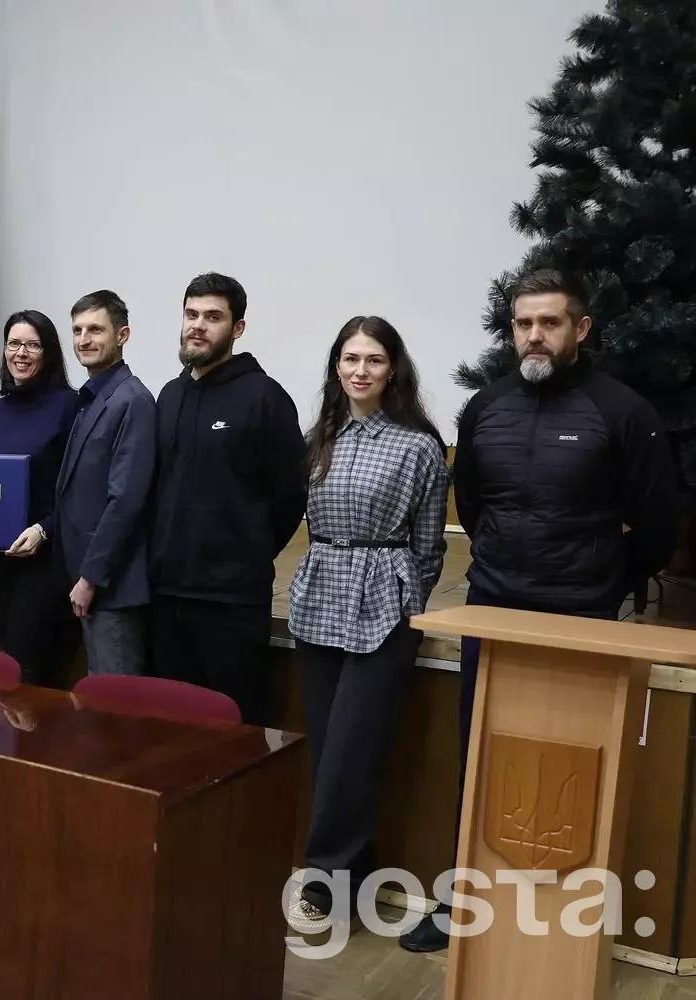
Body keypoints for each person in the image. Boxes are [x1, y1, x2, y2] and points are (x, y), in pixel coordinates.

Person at [400, 267, 681, 953]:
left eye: (549, 322)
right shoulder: (485, 407)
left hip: (578, 619)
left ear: (580, 329)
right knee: (480, 754)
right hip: (493, 610)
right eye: (523, 323)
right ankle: (465, 899)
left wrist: (604, 581)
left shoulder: (623, 412)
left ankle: (557, 918)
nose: (534, 335)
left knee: (570, 766)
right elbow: (472, 505)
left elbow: (658, 523)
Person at [282, 316, 449, 934]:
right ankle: (353, 878)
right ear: (337, 366)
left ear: (392, 369)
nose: (360, 370)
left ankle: (322, 885)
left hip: (384, 606)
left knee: (353, 751)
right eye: (350, 359)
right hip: (319, 597)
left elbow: (429, 545)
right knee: (329, 750)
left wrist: (409, 605)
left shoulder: (418, 446)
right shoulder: (320, 436)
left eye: (373, 360)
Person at [148, 273, 307, 722]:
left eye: (213, 317)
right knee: (170, 728)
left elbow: (291, 493)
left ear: (237, 328)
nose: (198, 325)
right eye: (191, 314)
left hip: (232, 601)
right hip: (167, 596)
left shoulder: (265, 397)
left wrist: (247, 549)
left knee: (234, 727)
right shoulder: (170, 395)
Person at [53, 290, 157, 676]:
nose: (84, 339)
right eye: (77, 330)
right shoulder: (96, 396)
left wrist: (91, 578)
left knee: (117, 702)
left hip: (113, 587)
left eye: (95, 329)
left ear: (122, 335)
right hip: (90, 580)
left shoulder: (133, 400)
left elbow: (125, 500)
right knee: (98, 696)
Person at [0, 309, 82, 687]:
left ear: (48, 352)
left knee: (30, 672)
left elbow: (79, 489)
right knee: (3, 664)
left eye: (32, 345)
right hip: (4, 559)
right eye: (13, 344)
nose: (21, 353)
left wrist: (43, 530)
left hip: (48, 559)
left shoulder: (69, 405)